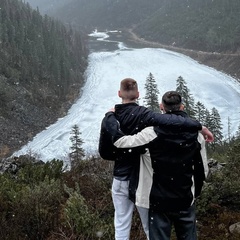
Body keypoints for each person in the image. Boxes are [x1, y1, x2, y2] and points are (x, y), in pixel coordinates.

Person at [98, 78, 212, 240]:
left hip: (138, 186)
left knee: (123, 223)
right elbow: (201, 170)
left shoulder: (142, 129)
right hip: (174, 193)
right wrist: (199, 126)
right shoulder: (146, 116)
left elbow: (109, 150)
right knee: (158, 229)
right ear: (138, 94)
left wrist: (109, 117)